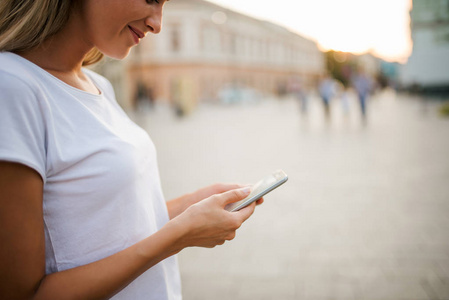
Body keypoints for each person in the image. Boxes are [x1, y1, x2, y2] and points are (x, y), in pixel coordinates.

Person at [0, 1, 263, 299]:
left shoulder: (97, 85)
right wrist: (178, 237)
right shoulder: (11, 87)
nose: (157, 24)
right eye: (151, 0)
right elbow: (23, 294)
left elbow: (112, 225)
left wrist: (186, 208)